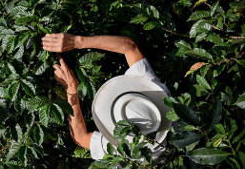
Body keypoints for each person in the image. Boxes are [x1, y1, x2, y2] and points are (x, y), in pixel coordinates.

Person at [41, 33, 172, 160]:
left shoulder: (132, 152)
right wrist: (77, 41)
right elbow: (130, 47)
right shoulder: (157, 95)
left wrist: (71, 88)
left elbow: (80, 137)